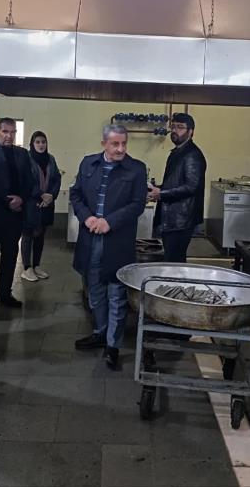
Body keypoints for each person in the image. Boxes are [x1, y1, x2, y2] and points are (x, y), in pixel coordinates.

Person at [71, 124, 147, 370]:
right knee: (95, 290)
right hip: (90, 239)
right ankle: (100, 332)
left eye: (124, 143)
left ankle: (113, 345)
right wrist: (87, 218)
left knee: (116, 294)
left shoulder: (136, 169)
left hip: (117, 241)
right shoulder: (88, 164)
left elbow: (137, 204)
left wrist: (110, 222)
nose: (120, 149)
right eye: (115, 144)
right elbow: (76, 195)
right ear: (104, 143)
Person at [0, 117, 36, 310]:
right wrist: (6, 200)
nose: (9, 136)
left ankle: (4, 293)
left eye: (13, 132)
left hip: (15, 214)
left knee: (10, 256)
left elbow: (29, 180)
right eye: (5, 132)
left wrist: (21, 199)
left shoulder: (22, 154)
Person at [148, 113, 207, 263]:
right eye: (173, 127)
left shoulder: (192, 155)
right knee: (172, 260)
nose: (175, 130)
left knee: (174, 262)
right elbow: (175, 183)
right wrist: (155, 190)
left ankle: (175, 280)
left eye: (180, 127)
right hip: (174, 219)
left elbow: (191, 187)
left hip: (181, 220)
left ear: (191, 131)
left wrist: (161, 194)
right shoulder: (178, 152)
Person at [20, 131, 62, 282]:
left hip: (47, 203)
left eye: (43, 142)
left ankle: (36, 266)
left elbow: (56, 178)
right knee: (28, 235)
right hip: (31, 203)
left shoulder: (51, 159)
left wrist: (51, 195)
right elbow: (25, 181)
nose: (41, 145)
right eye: (37, 142)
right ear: (32, 144)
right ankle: (27, 268)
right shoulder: (27, 159)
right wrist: (40, 194)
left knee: (41, 235)